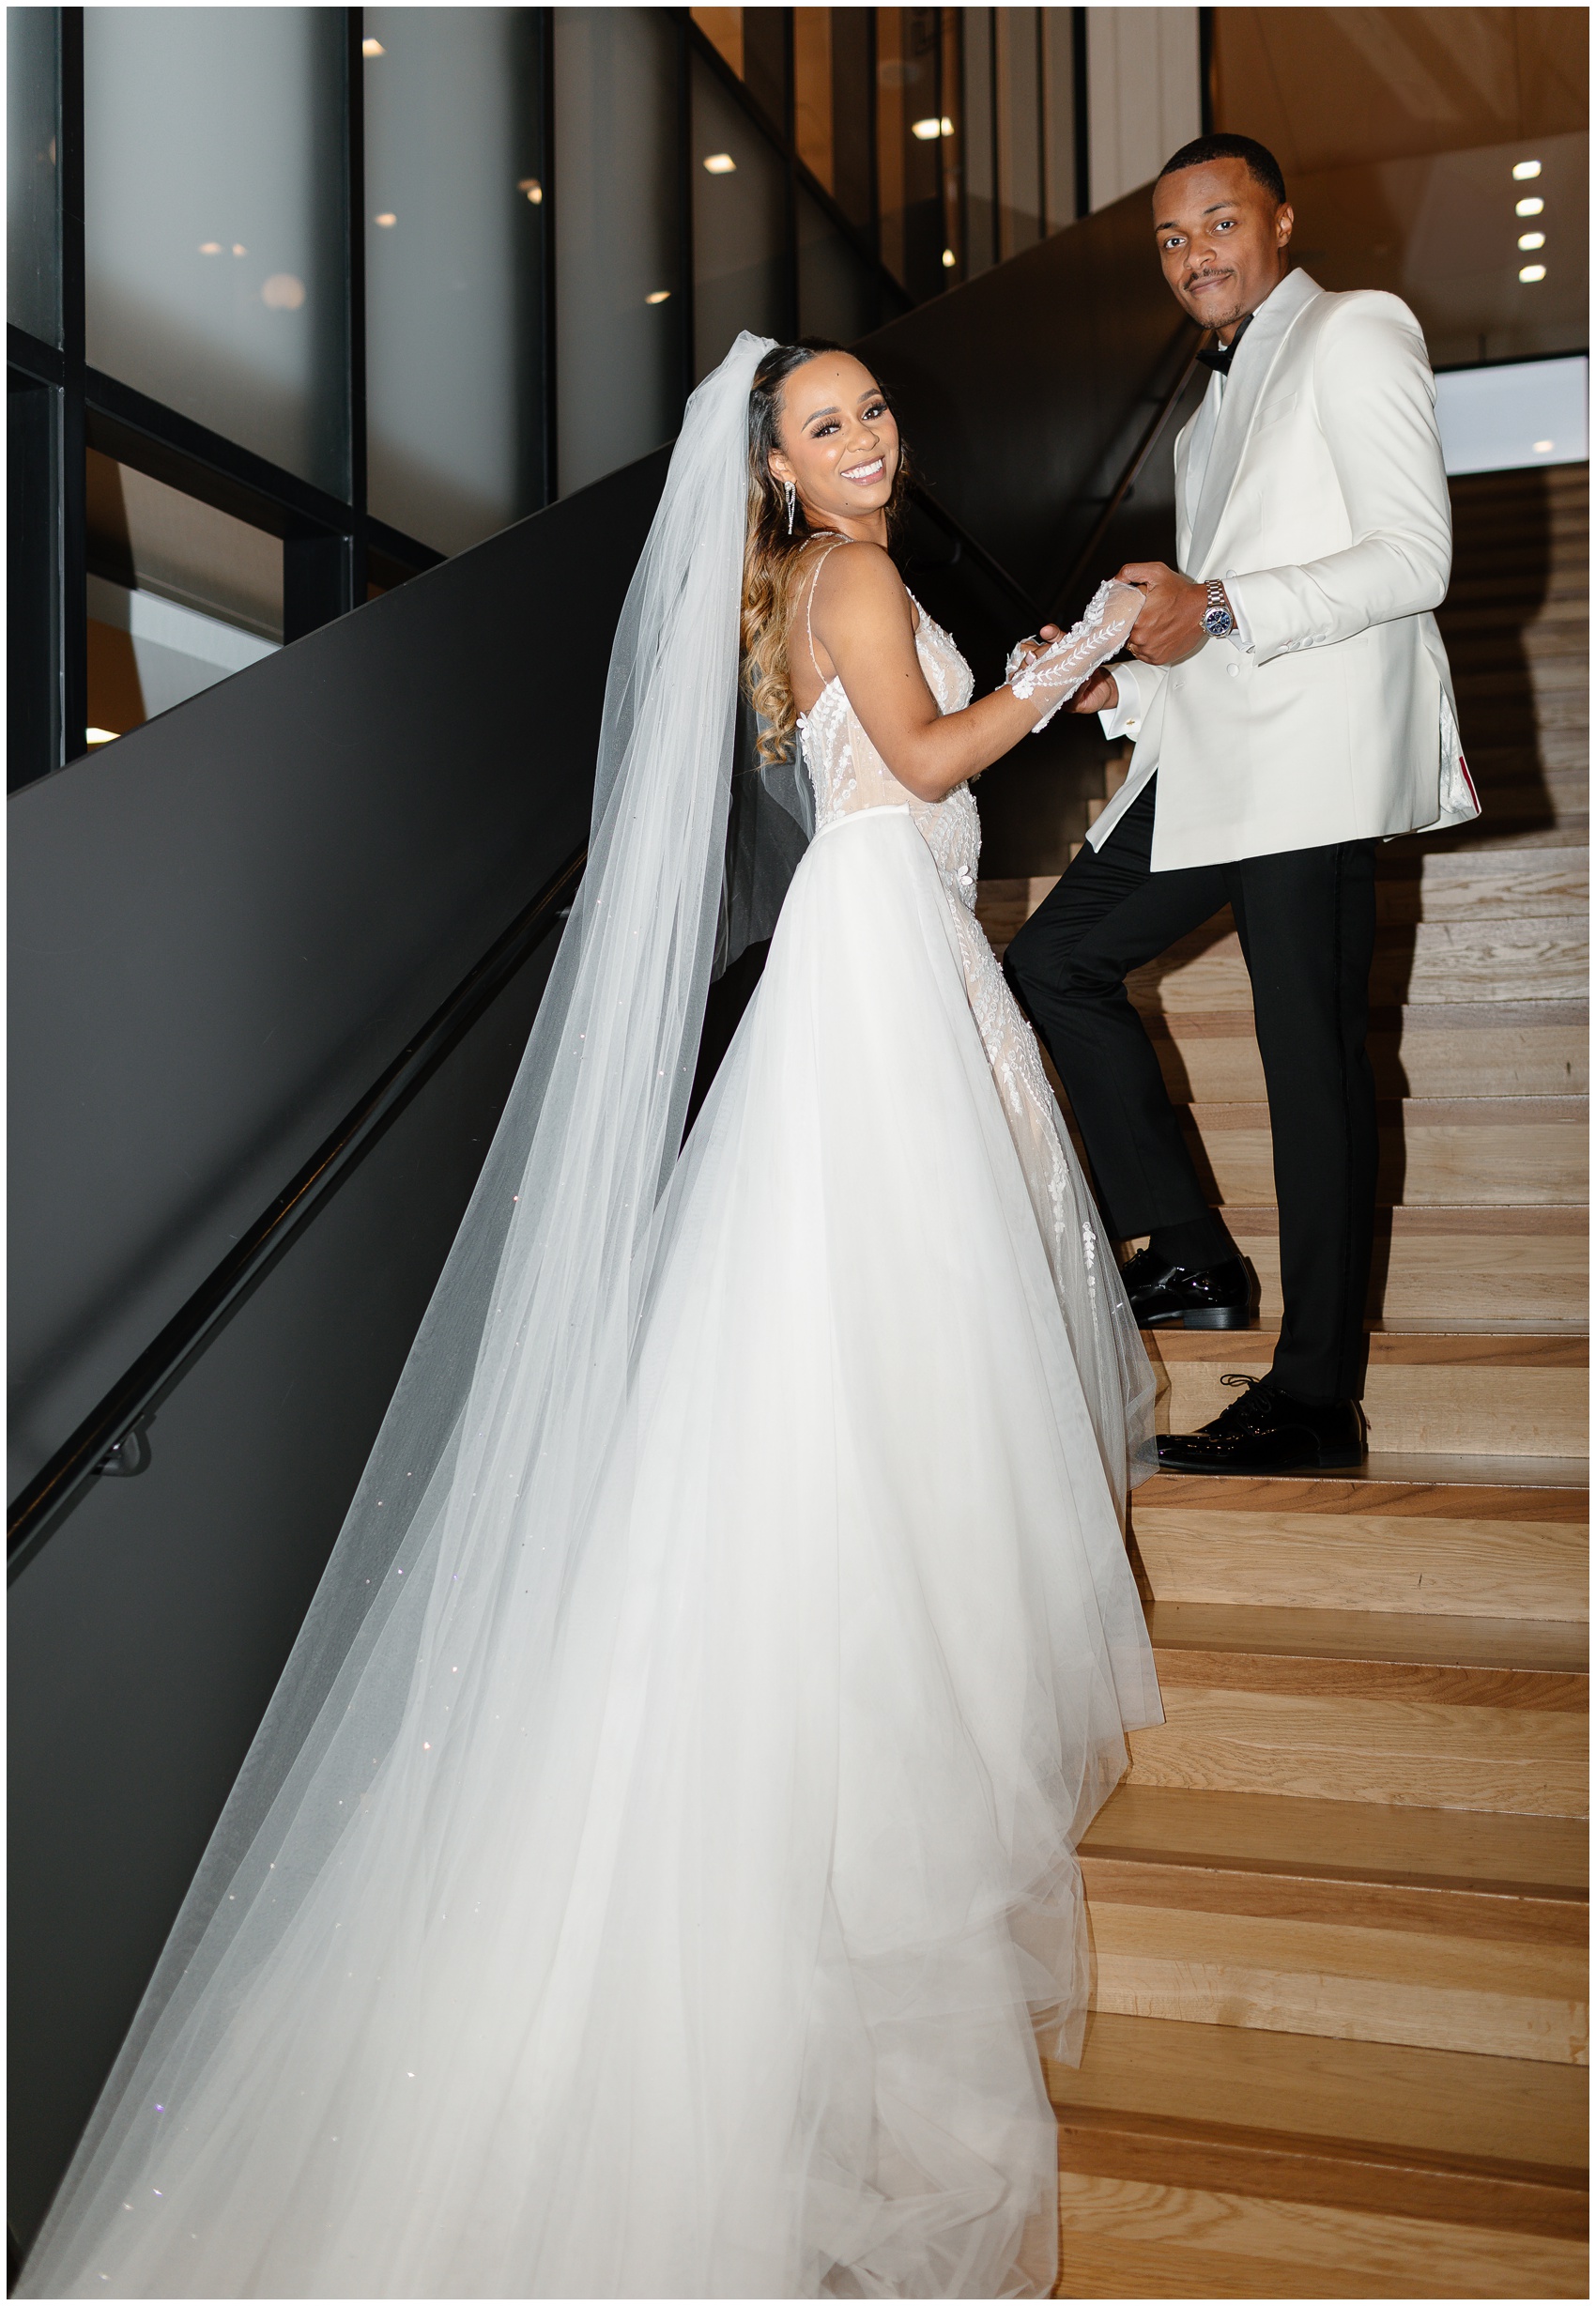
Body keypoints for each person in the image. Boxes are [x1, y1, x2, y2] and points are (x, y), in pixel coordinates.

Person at [19, 334, 1159, 2300]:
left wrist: (1045, 656)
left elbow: (894, 766)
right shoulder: (861, 579)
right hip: (880, 986)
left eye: (876, 410)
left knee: (842, 1373)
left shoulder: (814, 585)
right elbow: (937, 763)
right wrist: (1086, 652)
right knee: (889, 1364)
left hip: (870, 977)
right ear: (781, 472)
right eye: (828, 428)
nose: (869, 440)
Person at [1004, 131, 1477, 1477]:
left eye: (1216, 223)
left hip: (1316, 768)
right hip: (1217, 761)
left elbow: (1415, 556)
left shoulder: (1358, 329)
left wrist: (1209, 604)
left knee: (1308, 1061)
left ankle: (1316, 1399)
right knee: (1054, 958)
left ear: (1277, 219)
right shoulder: (1208, 413)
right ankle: (1196, 1252)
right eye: (1169, 239)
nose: (1193, 254)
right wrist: (1118, 688)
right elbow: (1212, 631)